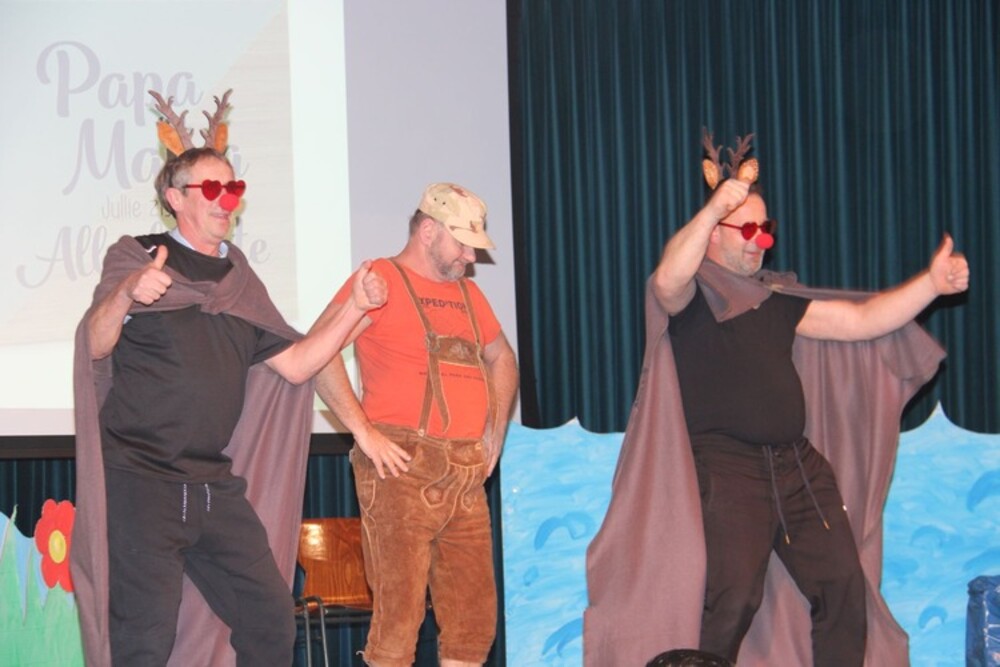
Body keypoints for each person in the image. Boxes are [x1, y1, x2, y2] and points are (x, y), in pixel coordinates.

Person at [584, 132, 969, 666]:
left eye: (765, 229)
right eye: (746, 228)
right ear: (714, 233)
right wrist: (713, 208)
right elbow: (667, 279)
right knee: (733, 599)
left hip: (797, 467)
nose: (760, 239)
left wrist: (930, 284)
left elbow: (860, 321)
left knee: (843, 586)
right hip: (727, 468)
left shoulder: (775, 298)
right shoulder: (694, 297)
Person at [71, 91, 388, 666]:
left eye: (234, 187)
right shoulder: (138, 255)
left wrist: (355, 308)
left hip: (211, 485)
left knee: (270, 622)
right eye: (212, 188)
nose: (227, 200)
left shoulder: (240, 279)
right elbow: (94, 343)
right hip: (141, 481)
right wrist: (126, 293)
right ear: (175, 198)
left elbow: (297, 363)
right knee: (144, 642)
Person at [315, 182, 519, 667]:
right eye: (463, 243)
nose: (470, 256)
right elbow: (319, 353)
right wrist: (364, 432)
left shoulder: (470, 294)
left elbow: (503, 359)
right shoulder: (380, 279)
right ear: (428, 231)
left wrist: (494, 434)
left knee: (473, 625)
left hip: (465, 472)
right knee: (399, 624)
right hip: (400, 469)